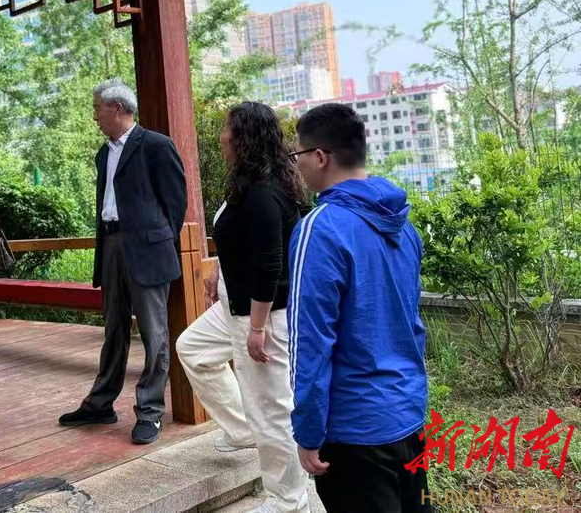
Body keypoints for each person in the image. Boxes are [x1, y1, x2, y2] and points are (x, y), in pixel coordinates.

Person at [288, 103, 432, 513]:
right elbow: (413, 325)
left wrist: (308, 431)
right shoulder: (404, 226)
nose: (296, 164)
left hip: (354, 430)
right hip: (407, 415)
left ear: (320, 156)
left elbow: (310, 341)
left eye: (297, 154)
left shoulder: (320, 228)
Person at [176, 102, 310, 513]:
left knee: (272, 409)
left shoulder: (265, 193)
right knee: (193, 349)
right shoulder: (247, 184)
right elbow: (241, 239)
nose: (222, 137)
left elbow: (270, 265)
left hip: (263, 313)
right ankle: (242, 430)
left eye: (227, 130)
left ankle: (288, 501)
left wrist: (256, 328)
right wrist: (219, 265)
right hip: (235, 305)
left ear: (246, 137)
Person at [58, 79, 188, 446]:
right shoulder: (104, 153)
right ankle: (100, 404)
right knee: (113, 328)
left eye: (97, 108)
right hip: (111, 244)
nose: (94, 116)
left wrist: (155, 239)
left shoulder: (157, 145)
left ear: (117, 109)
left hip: (147, 250)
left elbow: (175, 203)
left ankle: (150, 410)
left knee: (154, 334)